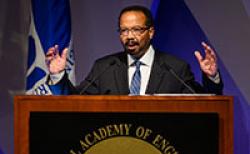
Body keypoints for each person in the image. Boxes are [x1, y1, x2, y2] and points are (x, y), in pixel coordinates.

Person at [45, 5, 223, 95]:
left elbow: (203, 104)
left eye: (136, 30)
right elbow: (76, 100)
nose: (129, 36)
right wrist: (58, 76)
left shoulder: (175, 68)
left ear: (150, 32)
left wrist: (211, 77)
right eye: (124, 30)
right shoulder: (104, 67)